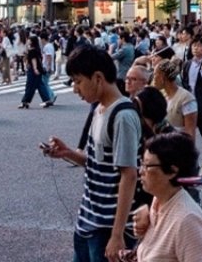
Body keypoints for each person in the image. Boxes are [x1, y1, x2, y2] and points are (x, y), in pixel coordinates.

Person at [42, 48, 141, 262]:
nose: (76, 89)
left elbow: (129, 175)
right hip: (88, 219)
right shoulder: (99, 109)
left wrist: (117, 235)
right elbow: (99, 164)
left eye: (78, 81)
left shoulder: (122, 115)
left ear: (98, 78)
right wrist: (67, 153)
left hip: (107, 227)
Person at [121, 132, 202, 262]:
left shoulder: (187, 219)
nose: (140, 171)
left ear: (172, 171)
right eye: (141, 163)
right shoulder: (159, 200)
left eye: (147, 166)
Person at [155, 59, 198, 138]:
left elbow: (190, 131)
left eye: (155, 75)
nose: (154, 78)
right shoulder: (161, 94)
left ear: (162, 77)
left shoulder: (186, 98)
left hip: (177, 145)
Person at [19, 36, 56, 109]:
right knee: (40, 85)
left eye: (29, 40)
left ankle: (25, 101)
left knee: (30, 85)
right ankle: (47, 100)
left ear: (32, 41)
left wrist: (35, 69)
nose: (28, 41)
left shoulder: (32, 50)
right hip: (38, 69)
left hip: (33, 70)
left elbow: (34, 60)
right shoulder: (36, 49)